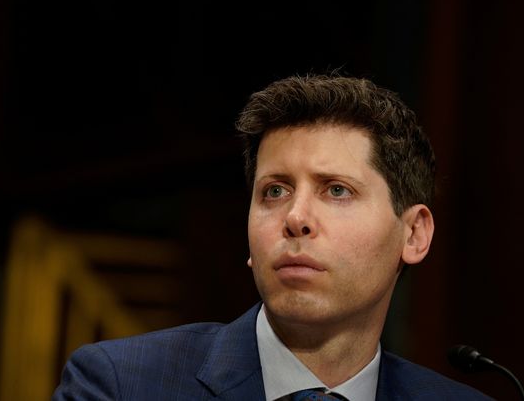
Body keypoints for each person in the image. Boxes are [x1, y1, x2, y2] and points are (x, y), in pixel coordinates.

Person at [52, 73, 492, 400]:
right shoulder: (121, 384)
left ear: (414, 234)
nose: (295, 217)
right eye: (274, 191)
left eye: (336, 190)